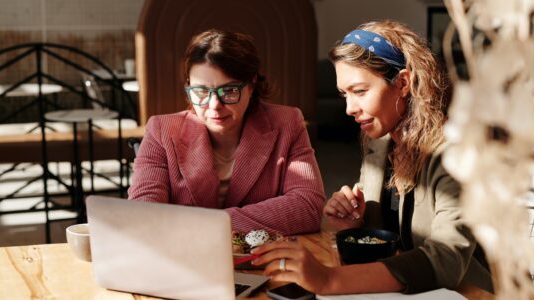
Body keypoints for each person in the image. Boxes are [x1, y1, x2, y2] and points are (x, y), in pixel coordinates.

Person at [252, 20, 493, 294]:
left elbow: (447, 260)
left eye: (360, 91)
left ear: (402, 83)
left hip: (469, 292)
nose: (349, 108)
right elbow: (389, 240)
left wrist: (329, 280)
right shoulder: (380, 145)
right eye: (344, 94)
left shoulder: (456, 153)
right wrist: (355, 224)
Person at [128, 29, 325, 235]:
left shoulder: (287, 123)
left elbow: (308, 206)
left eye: (229, 90)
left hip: (263, 261)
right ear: (188, 87)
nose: (214, 105)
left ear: (251, 85)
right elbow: (143, 214)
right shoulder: (162, 130)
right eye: (201, 91)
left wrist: (211, 224)